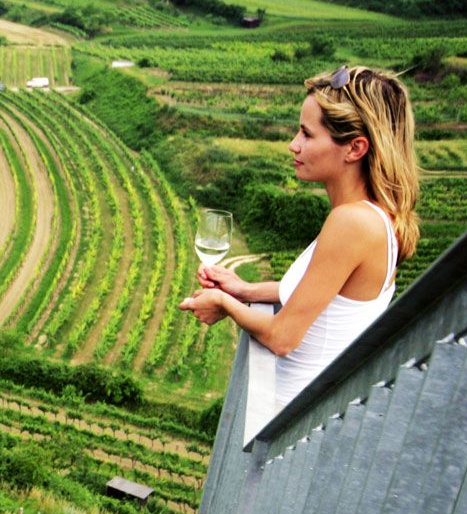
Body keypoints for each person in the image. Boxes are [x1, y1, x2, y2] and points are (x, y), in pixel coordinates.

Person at [179, 65, 419, 411]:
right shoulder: (376, 217)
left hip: (286, 416)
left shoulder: (351, 222)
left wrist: (224, 305)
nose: (294, 145)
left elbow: (281, 337)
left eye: (307, 134)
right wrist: (243, 290)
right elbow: (324, 296)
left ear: (355, 148)